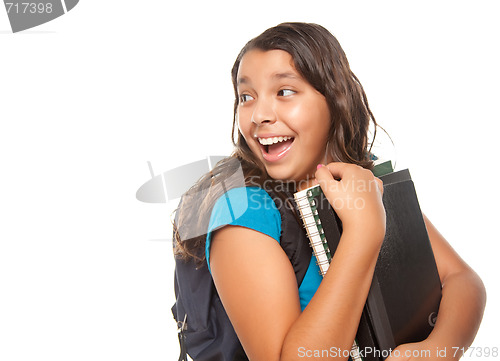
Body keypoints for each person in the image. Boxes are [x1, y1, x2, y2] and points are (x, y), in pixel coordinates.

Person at [173, 22, 486, 361]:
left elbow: (462, 280)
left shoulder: (358, 180)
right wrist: (363, 233)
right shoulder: (244, 212)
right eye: (246, 97)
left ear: (334, 99)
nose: (259, 115)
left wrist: (435, 351)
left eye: (284, 92)